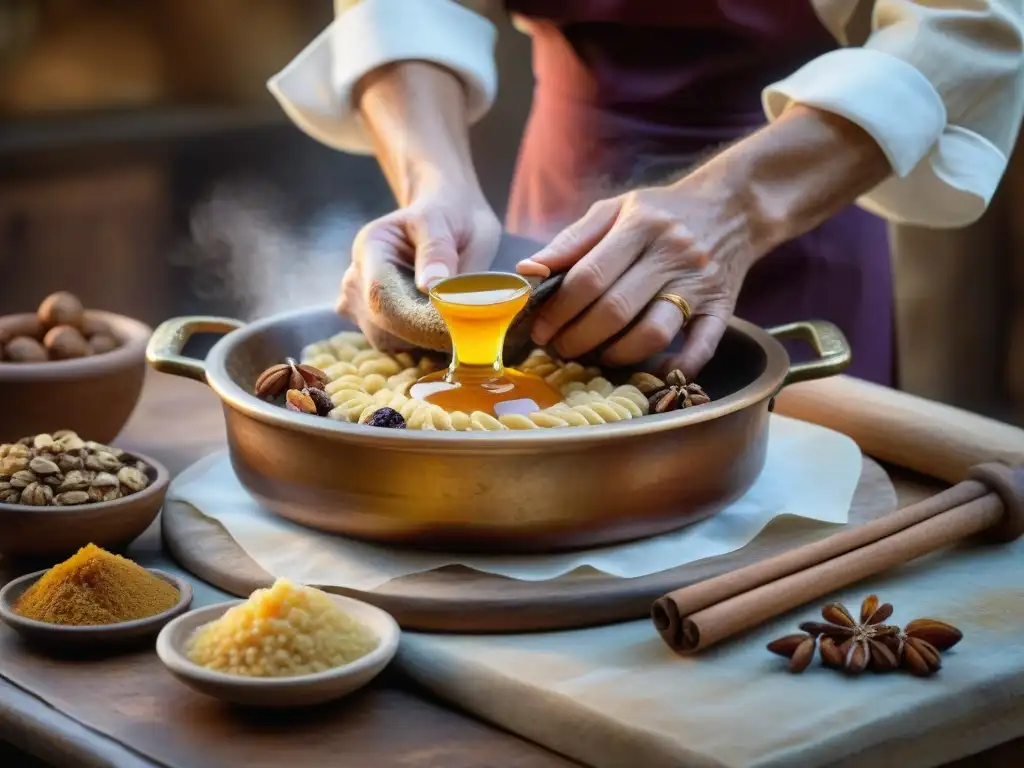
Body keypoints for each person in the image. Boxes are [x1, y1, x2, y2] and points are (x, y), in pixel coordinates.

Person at [268, 0, 1024, 385]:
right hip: (562, 191)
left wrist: (738, 205)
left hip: (805, 184)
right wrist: (434, 179)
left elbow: (969, 24)